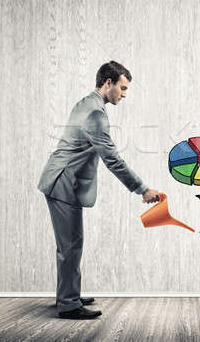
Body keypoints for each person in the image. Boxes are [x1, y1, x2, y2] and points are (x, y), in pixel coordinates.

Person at [37, 61, 160, 320]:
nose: (124, 94)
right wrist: (143, 189)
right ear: (108, 83)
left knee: (70, 244)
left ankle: (67, 294)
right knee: (71, 245)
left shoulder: (86, 103)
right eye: (122, 88)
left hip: (62, 179)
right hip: (63, 182)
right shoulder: (96, 114)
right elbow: (112, 159)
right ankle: (69, 304)